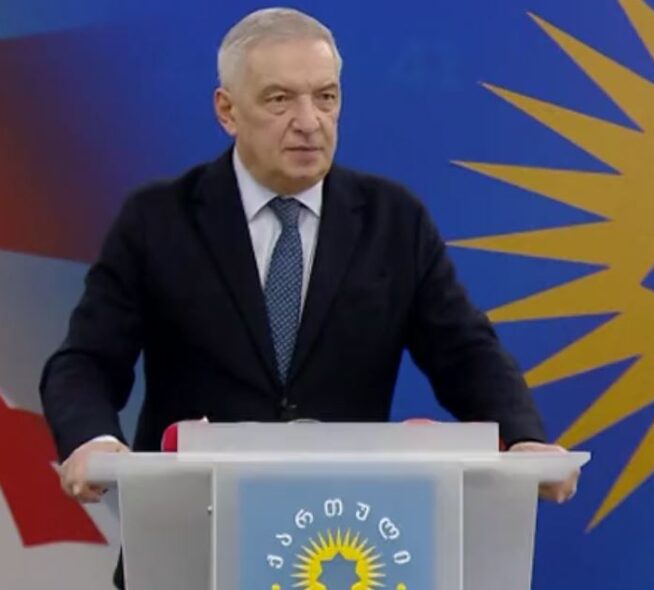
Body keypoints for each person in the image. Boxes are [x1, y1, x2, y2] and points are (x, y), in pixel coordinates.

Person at [40, 7, 579, 587]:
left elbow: (466, 353)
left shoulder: (393, 221)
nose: (309, 122)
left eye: (325, 98)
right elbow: (86, 361)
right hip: (190, 548)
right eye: (279, 100)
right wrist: (94, 441)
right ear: (227, 110)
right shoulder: (159, 220)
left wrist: (524, 438)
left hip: (348, 547)